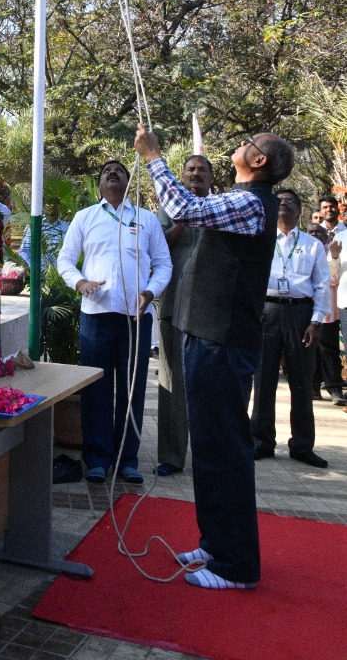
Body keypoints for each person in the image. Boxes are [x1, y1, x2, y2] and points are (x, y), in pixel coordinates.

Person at [135, 126, 294, 591]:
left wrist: (153, 157)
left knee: (224, 450)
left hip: (222, 342)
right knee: (208, 446)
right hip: (209, 337)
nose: (240, 143)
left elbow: (184, 207)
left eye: (250, 141)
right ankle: (216, 541)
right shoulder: (243, 199)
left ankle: (235, 565)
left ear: (260, 162)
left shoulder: (251, 202)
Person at [57, 160, 171, 485]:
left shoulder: (146, 220)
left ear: (128, 180)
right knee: (97, 389)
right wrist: (80, 283)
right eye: (107, 171)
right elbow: (65, 259)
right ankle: (96, 459)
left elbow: (164, 264)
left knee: (131, 390)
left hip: (137, 318)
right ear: (99, 186)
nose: (113, 172)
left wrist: (150, 292)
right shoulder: (86, 217)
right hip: (96, 315)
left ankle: (126, 459)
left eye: (119, 169)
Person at [251, 188, 330, 467]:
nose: (284, 205)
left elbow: (322, 285)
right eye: (279, 201)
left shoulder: (312, 245)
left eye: (290, 202)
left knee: (302, 381)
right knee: (263, 380)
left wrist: (316, 321)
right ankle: (261, 441)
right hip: (267, 312)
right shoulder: (260, 240)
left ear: (300, 210)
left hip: (300, 314)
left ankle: (302, 446)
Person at [155, 154, 214, 477]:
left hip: (209, 311)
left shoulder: (220, 209)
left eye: (202, 170)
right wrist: (182, 220)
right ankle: (171, 455)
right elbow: (158, 246)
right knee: (171, 383)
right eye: (190, 169)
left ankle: (208, 457)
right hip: (173, 305)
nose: (195, 174)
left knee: (207, 385)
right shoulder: (169, 208)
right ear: (181, 175)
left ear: (210, 178)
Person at [316, 196, 347, 405]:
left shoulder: (343, 233)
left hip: (341, 297)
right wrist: (334, 257)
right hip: (331, 298)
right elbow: (329, 272)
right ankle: (330, 387)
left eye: (332, 206)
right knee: (326, 345)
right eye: (324, 207)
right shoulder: (314, 233)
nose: (329, 210)